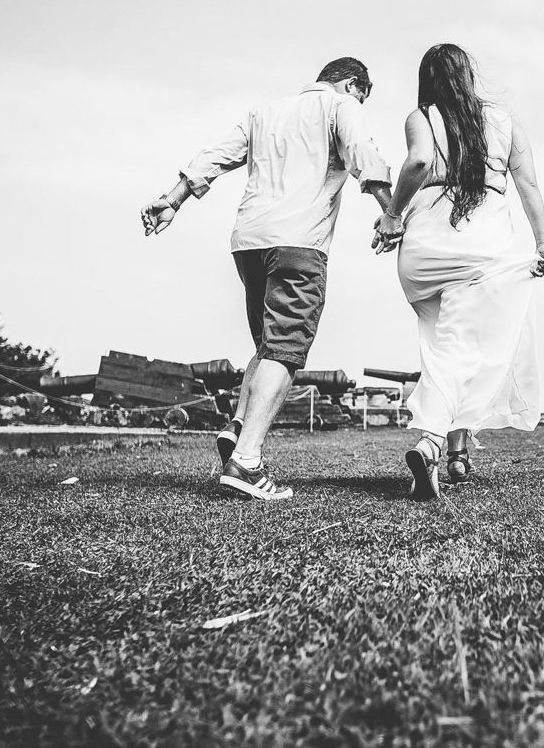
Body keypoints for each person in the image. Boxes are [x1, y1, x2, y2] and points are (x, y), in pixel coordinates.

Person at [142, 57, 393, 500]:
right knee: (286, 349)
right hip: (299, 243)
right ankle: (247, 460)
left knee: (267, 346)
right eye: (362, 94)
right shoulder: (341, 107)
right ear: (352, 84)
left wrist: (173, 199)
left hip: (248, 243)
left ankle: (238, 427)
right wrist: (391, 212)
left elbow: (216, 155)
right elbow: (364, 157)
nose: (360, 102)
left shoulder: (265, 112)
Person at [372, 44, 544, 501]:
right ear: (468, 75)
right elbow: (527, 183)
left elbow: (417, 162)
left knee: (442, 345)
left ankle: (455, 450)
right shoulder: (504, 122)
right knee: (466, 348)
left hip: (423, 248)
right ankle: (433, 440)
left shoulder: (422, 116)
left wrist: (392, 216)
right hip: (481, 245)